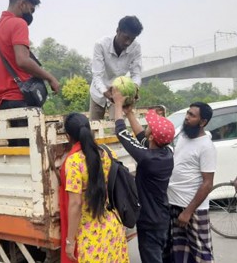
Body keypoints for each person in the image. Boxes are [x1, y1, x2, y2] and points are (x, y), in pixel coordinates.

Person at [112, 88, 175, 263]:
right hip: (161, 217)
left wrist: (117, 104)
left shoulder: (148, 159)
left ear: (154, 136)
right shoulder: (166, 152)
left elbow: (122, 134)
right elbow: (142, 138)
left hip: (150, 222)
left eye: (150, 127)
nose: (146, 127)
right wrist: (130, 113)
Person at [61, 112, 129, 262]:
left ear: (68, 136)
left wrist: (70, 241)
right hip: (113, 226)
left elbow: (75, 203)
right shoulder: (108, 153)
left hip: (91, 234)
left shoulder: (74, 161)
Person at [0, 0, 60, 111]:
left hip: (1, 106)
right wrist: (50, 78)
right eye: (31, 9)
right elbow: (22, 60)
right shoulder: (18, 23)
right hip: (20, 100)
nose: (31, 14)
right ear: (22, 3)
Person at [164, 102, 216, 263]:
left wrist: (188, 212)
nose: (187, 117)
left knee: (201, 253)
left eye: (192, 115)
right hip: (173, 203)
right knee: (178, 252)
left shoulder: (207, 147)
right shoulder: (183, 136)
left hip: (192, 209)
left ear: (203, 122)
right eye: (188, 113)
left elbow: (208, 184)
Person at [89, 15, 143, 120]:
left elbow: (136, 74)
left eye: (132, 39)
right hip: (98, 92)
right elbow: (97, 76)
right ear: (117, 30)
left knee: (119, 128)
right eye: (126, 37)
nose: (128, 42)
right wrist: (106, 93)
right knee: (93, 129)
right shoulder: (101, 45)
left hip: (119, 93)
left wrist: (134, 89)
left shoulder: (136, 48)